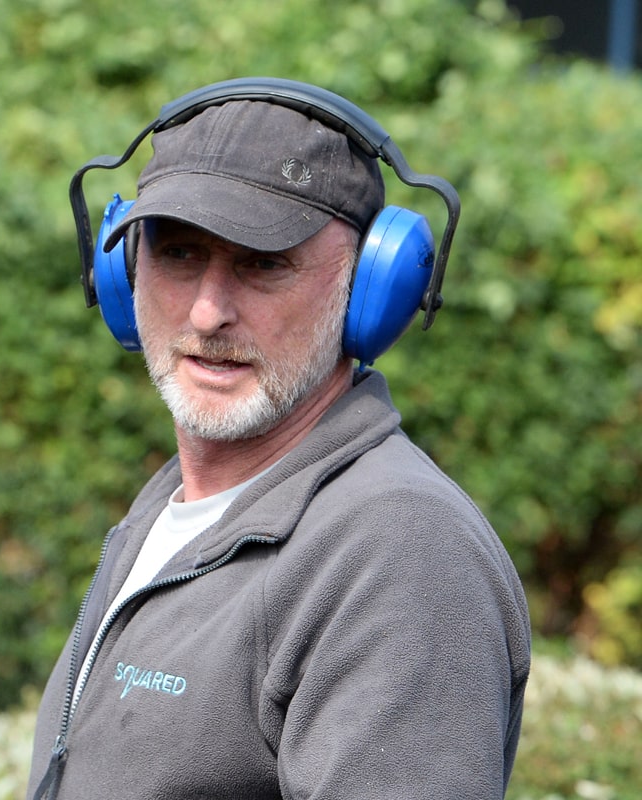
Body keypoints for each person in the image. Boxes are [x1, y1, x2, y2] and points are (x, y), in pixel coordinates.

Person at [27, 80, 531, 800]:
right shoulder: (176, 507)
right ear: (121, 276)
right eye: (176, 254)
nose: (206, 312)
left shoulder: (399, 553)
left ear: (370, 292)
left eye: (263, 264)